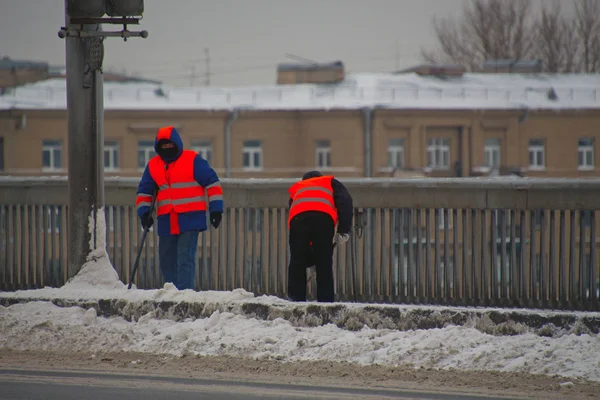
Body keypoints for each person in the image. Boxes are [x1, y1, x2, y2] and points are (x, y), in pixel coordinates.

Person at [135, 126, 223, 290]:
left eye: (170, 145)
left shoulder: (192, 160)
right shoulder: (153, 165)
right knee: (166, 259)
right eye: (164, 146)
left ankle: (184, 296)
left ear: (177, 143)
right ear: (158, 147)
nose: (167, 149)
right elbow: (144, 191)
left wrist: (216, 209)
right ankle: (171, 293)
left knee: (185, 258)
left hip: (190, 219)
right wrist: (144, 213)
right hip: (167, 219)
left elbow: (212, 182)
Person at [287, 170, 353, 302]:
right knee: (324, 262)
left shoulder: (299, 187)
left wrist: (310, 257)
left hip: (298, 220)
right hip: (323, 220)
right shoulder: (329, 182)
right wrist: (344, 230)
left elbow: (294, 208)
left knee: (297, 261)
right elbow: (345, 201)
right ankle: (326, 302)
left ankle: (296, 301)